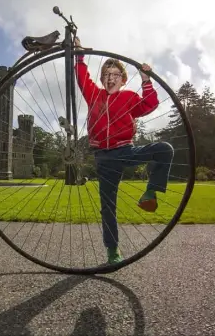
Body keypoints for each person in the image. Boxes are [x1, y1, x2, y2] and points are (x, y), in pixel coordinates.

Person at [74, 37, 174, 265]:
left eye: (115, 75)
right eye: (107, 75)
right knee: (107, 207)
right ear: (102, 79)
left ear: (123, 79)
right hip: (103, 158)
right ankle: (112, 251)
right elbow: (82, 78)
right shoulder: (94, 95)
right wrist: (79, 55)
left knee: (164, 149)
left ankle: (150, 193)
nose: (111, 78)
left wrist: (146, 80)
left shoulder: (129, 97)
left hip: (125, 151)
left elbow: (149, 106)